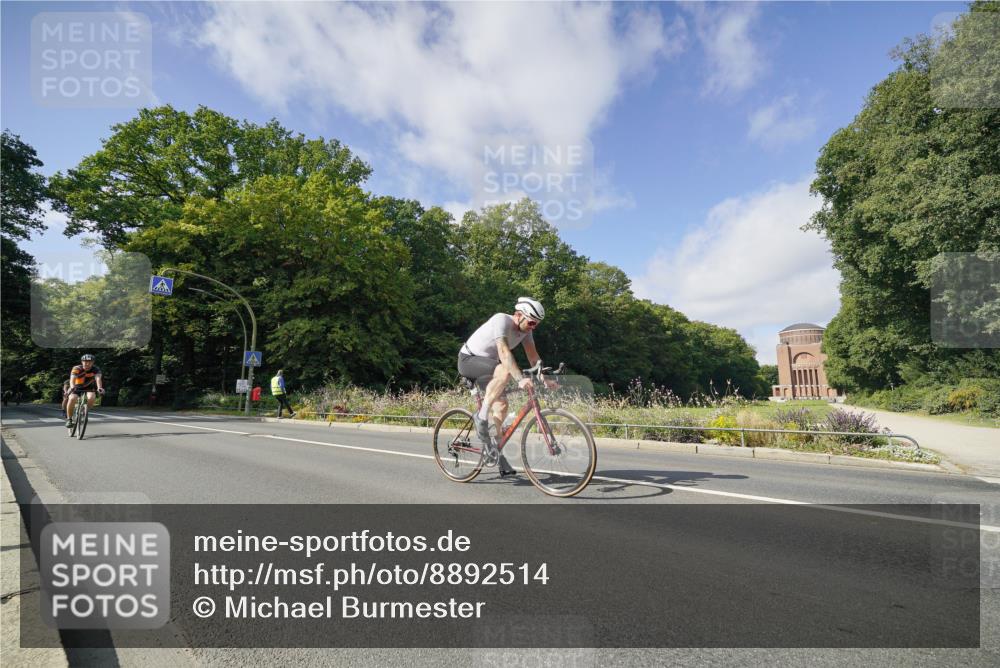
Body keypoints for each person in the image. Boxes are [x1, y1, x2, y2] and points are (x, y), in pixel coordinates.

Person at [457, 297, 556, 476]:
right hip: (468, 359)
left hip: (489, 367)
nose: (533, 327)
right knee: (505, 370)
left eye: (537, 325)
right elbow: (503, 351)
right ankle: (481, 416)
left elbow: (533, 357)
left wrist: (544, 378)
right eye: (532, 322)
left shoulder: (527, 331)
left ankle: (497, 454)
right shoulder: (500, 320)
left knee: (502, 406)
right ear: (518, 315)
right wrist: (520, 379)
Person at [65, 354, 104, 428]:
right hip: (76, 387)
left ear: (93, 363)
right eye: (85, 361)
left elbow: (98, 379)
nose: (87, 363)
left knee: (92, 398)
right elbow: (72, 379)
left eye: (90, 362)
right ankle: (69, 419)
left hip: (89, 387)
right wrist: (72, 387)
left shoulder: (96, 369)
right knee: (72, 398)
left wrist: (100, 388)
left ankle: (84, 412)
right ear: (82, 362)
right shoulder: (77, 368)